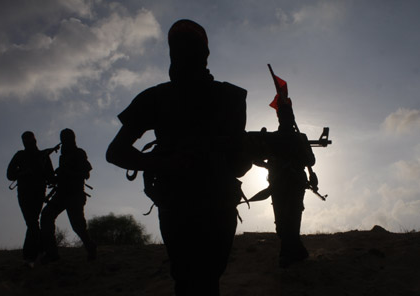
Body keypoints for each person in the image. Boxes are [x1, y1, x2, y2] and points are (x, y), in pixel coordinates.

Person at [106, 19, 251, 296]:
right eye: (178, 49)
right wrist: (165, 164)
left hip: (209, 202)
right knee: (195, 280)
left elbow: (239, 161)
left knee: (200, 280)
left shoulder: (228, 97)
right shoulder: (224, 96)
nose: (182, 55)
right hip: (183, 203)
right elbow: (115, 152)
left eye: (188, 49)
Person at [262, 101, 315, 268]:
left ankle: (286, 255)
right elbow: (257, 157)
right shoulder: (273, 138)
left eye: (288, 116)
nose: (286, 119)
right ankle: (298, 252)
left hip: (295, 183)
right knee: (281, 224)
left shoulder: (301, 137)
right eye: (283, 116)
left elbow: (310, 161)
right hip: (277, 184)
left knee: (291, 220)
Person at [40, 128, 96, 264]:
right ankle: (52, 253)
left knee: (78, 226)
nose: (63, 140)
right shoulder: (62, 156)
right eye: (62, 137)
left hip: (74, 194)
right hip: (61, 194)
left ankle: (91, 248)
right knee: (46, 216)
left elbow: (85, 174)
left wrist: (67, 172)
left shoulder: (78, 153)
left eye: (66, 137)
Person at [7, 131, 55, 267]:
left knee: (32, 223)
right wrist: (23, 173)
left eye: (30, 140)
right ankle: (39, 253)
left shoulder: (43, 155)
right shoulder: (20, 155)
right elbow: (10, 174)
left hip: (38, 193)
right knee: (32, 223)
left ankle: (32, 256)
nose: (29, 142)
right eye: (26, 140)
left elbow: (50, 176)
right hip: (24, 193)